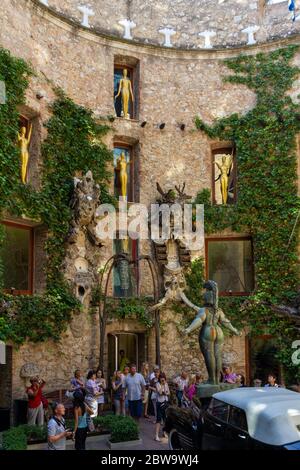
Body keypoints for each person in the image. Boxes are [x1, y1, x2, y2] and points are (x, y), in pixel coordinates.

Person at [155, 373, 170, 442]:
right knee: (158, 419)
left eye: (163, 378)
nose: (162, 379)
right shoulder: (157, 384)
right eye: (161, 378)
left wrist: (166, 391)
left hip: (165, 402)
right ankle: (156, 435)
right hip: (160, 403)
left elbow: (168, 393)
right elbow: (160, 393)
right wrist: (162, 385)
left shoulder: (166, 384)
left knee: (165, 419)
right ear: (159, 378)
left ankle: (164, 432)